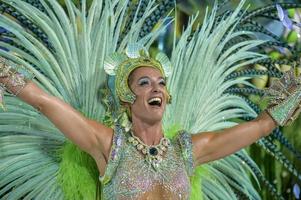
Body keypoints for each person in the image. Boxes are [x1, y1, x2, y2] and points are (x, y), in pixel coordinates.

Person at [0, 0, 300, 199]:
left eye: (161, 83)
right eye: (145, 83)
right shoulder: (108, 145)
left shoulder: (188, 150)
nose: (156, 89)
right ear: (127, 97)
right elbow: (44, 102)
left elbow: (261, 125)